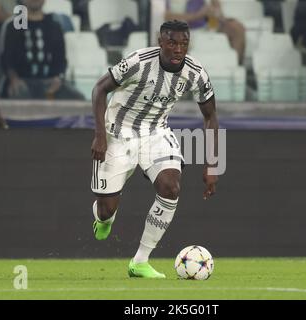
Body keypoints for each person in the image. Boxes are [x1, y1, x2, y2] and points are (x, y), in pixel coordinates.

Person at [90, 20, 219, 278]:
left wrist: (213, 164)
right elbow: (99, 89)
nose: (178, 49)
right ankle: (103, 218)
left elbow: (210, 115)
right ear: (160, 42)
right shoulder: (138, 62)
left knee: (171, 187)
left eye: (184, 43)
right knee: (107, 209)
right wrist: (100, 136)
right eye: (172, 42)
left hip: (156, 132)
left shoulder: (196, 72)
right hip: (118, 133)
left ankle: (140, 261)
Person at [0, 0, 84, 100]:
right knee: (19, 94)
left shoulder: (54, 26)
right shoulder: (13, 25)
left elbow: (61, 60)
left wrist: (58, 78)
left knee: (78, 98)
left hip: (49, 81)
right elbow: (6, 60)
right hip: (22, 81)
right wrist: (13, 79)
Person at [165, 0, 246, 65]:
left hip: (208, 27)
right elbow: (168, 17)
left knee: (237, 28)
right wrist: (198, 15)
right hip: (186, 30)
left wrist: (217, 14)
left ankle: (236, 69)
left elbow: (219, 13)